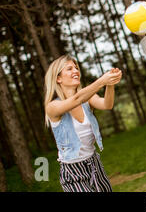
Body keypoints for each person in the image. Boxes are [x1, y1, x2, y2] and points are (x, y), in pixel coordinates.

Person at [44, 55, 122, 192]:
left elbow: (107, 104)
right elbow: (76, 99)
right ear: (58, 78)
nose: (75, 71)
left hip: (94, 164)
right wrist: (101, 81)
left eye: (76, 68)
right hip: (72, 171)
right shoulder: (52, 107)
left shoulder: (87, 98)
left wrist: (110, 85)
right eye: (69, 68)